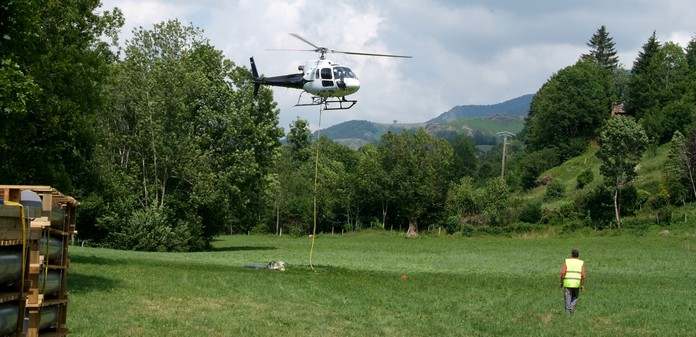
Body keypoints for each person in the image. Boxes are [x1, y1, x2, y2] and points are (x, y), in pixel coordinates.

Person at [560, 248, 585, 313]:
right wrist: (582, 285)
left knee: (567, 297)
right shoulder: (580, 263)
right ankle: (572, 307)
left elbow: (563, 273)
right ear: (578, 255)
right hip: (576, 283)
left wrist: (561, 282)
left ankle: (567, 311)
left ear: (571, 254)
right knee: (575, 296)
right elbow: (582, 276)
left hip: (568, 283)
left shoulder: (567, 261)